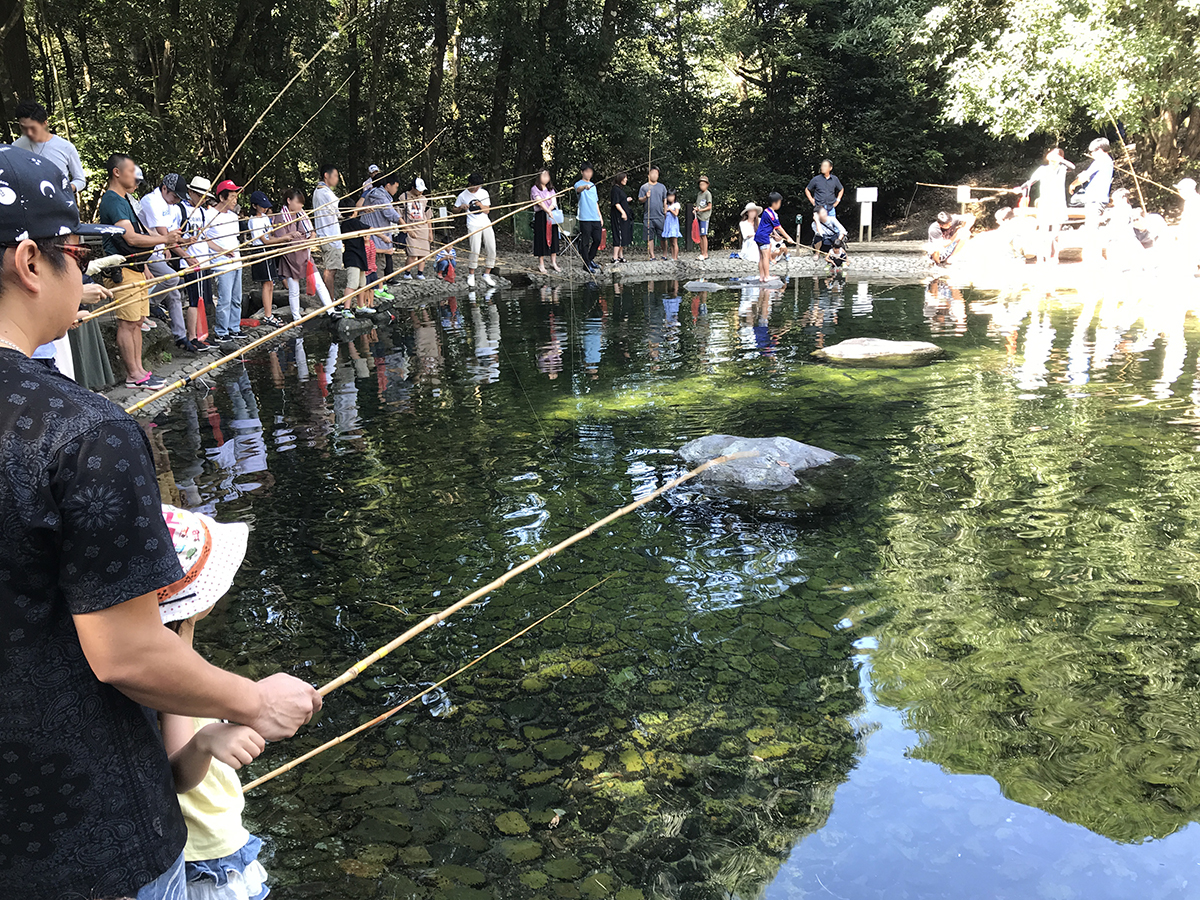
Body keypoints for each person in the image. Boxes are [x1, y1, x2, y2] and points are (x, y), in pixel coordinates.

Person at [0, 143, 322, 900]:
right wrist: (253, 700)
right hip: (92, 844)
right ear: (28, 262)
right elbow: (125, 656)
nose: (86, 271)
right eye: (76, 252)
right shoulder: (80, 431)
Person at [157, 506, 273, 900]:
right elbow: (180, 776)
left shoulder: (157, 663)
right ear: (194, 602)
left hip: (209, 840)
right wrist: (207, 739)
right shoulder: (172, 676)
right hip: (207, 851)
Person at [98, 152, 176, 389]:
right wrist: (164, 239)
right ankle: (133, 374)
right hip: (121, 268)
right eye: (132, 171)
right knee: (127, 322)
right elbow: (130, 238)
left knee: (138, 320)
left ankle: (141, 370)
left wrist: (147, 264)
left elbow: (138, 236)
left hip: (136, 267)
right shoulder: (112, 200)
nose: (136, 177)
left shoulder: (125, 200)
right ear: (117, 172)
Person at [139, 172, 198, 351]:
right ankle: (149, 304)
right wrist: (187, 257)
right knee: (172, 278)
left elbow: (173, 236)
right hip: (144, 251)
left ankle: (180, 336)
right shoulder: (151, 201)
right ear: (164, 188)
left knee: (175, 292)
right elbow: (166, 236)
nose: (176, 200)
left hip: (158, 250)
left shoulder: (171, 205)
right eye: (174, 196)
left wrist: (185, 242)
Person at [277, 187, 348, 320]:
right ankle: (297, 318)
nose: (300, 206)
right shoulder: (280, 217)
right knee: (294, 289)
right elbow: (280, 240)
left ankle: (330, 311)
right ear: (288, 201)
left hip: (305, 255)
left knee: (319, 283)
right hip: (290, 257)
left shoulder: (301, 214)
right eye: (298, 202)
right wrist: (291, 236)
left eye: (301, 203)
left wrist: (310, 240)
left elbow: (312, 232)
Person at [12, 99, 86, 195]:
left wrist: (67, 188)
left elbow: (80, 180)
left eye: (33, 128)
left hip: (59, 204)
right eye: (23, 128)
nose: (28, 132)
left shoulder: (66, 147)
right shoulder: (15, 148)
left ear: (44, 123)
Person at [207, 179, 247, 347]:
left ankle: (234, 327)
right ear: (222, 197)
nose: (235, 200)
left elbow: (235, 239)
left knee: (237, 298)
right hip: (222, 264)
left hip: (236, 261)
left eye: (236, 196)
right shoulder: (209, 215)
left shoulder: (233, 216)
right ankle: (221, 331)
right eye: (232, 196)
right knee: (225, 299)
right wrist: (221, 251)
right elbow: (206, 240)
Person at [181, 176, 218, 352]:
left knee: (203, 299)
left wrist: (220, 250)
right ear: (191, 192)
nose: (203, 199)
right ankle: (192, 336)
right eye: (200, 195)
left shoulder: (202, 212)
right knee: (194, 300)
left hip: (203, 261)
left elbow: (205, 238)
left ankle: (202, 334)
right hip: (190, 261)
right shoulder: (181, 210)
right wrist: (187, 241)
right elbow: (175, 238)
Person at [1020, 147, 1074, 263]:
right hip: (1045, 203)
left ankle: (1054, 257)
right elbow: (1031, 181)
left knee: (1055, 233)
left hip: (1058, 204)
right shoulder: (1042, 169)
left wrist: (1061, 160)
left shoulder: (1062, 168)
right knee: (1043, 232)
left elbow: (1072, 167)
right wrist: (1021, 188)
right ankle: (1041, 257)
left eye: (1056, 155)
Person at [1069, 137, 1114, 261]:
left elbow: (1084, 177)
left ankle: (1094, 256)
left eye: (1093, 151)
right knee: (1093, 227)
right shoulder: (1107, 161)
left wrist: (1073, 184)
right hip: (1099, 198)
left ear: (1099, 150)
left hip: (1095, 198)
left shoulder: (1101, 160)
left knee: (1092, 228)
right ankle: (1094, 255)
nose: (1092, 154)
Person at [248, 190, 285, 326]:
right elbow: (265, 240)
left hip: (268, 250)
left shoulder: (264, 218)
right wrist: (283, 239)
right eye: (261, 206)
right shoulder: (253, 221)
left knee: (271, 283)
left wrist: (281, 238)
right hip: (261, 251)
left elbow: (270, 235)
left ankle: (269, 313)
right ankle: (268, 315)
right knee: (266, 282)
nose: (265, 208)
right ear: (254, 206)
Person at [454, 173, 497, 288]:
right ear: (470, 184)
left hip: (485, 222)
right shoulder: (463, 195)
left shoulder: (484, 193)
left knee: (491, 247)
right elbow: (454, 210)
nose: (477, 188)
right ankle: (471, 274)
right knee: (475, 249)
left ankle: (487, 274)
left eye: (479, 186)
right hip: (472, 224)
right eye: (475, 186)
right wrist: (461, 207)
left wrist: (481, 205)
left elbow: (487, 210)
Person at [361, 173, 401, 295]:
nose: (396, 190)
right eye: (396, 186)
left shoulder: (371, 193)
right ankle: (377, 288)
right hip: (375, 235)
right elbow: (392, 214)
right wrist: (407, 227)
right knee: (377, 263)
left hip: (376, 234)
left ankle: (379, 287)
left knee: (378, 262)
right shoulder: (379, 196)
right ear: (388, 185)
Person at [312, 163, 343, 296]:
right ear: (326, 176)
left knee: (331, 269)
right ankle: (330, 302)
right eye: (335, 176)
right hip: (329, 235)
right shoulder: (324, 193)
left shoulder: (321, 191)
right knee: (330, 270)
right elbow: (341, 210)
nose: (337, 179)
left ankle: (330, 300)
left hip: (328, 234)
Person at [340, 196, 371, 317]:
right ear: (354, 211)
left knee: (362, 283)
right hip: (353, 258)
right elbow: (370, 228)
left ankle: (360, 306)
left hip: (358, 257)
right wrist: (383, 236)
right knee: (352, 283)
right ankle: (346, 309)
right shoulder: (352, 222)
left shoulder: (346, 224)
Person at [754, 192, 795, 281]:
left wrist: (775, 235)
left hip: (759, 236)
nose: (780, 205)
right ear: (775, 203)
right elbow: (779, 227)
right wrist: (788, 237)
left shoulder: (766, 211)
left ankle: (762, 277)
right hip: (764, 237)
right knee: (765, 257)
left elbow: (769, 226)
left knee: (761, 257)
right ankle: (767, 276)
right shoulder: (772, 214)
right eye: (779, 203)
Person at [399, 176, 432, 279]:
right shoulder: (403, 197)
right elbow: (398, 215)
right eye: (419, 190)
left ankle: (420, 273)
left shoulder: (424, 199)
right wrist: (406, 228)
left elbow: (428, 216)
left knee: (423, 253)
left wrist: (430, 232)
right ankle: (407, 272)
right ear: (413, 187)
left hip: (423, 228)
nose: (420, 192)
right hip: (411, 227)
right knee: (413, 253)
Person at [531, 169, 561, 273]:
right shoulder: (535, 189)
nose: (546, 178)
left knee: (554, 238)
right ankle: (541, 264)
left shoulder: (551, 189)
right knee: (541, 238)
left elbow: (554, 201)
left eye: (547, 176)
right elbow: (539, 201)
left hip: (552, 215)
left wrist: (550, 210)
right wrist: (547, 210)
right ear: (539, 177)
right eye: (543, 176)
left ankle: (553, 262)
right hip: (541, 215)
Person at [574, 163, 603, 274]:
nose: (589, 174)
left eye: (590, 171)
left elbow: (595, 202)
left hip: (595, 217)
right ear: (582, 172)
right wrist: (584, 187)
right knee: (585, 242)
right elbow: (578, 190)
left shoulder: (593, 186)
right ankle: (586, 264)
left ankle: (590, 260)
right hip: (584, 218)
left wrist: (600, 216)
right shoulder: (578, 184)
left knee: (597, 240)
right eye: (586, 171)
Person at [639, 166, 668, 259]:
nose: (655, 175)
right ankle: (652, 255)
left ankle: (664, 254)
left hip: (660, 216)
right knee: (649, 237)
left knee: (663, 237)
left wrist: (665, 210)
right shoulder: (644, 187)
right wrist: (646, 197)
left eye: (657, 173)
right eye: (653, 173)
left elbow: (665, 200)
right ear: (648, 175)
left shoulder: (662, 187)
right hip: (648, 216)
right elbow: (640, 199)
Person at [610, 172, 633, 264]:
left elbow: (621, 200)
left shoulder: (620, 190)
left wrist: (626, 200)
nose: (626, 179)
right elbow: (616, 203)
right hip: (618, 216)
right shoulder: (615, 189)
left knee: (623, 234)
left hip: (624, 217)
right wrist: (623, 212)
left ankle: (620, 256)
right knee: (618, 235)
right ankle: (614, 257)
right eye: (625, 178)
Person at [695, 175, 713, 260]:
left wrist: (701, 210)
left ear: (707, 185)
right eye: (700, 184)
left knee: (703, 235)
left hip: (704, 217)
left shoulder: (708, 194)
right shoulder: (699, 194)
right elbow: (698, 205)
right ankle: (702, 252)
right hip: (698, 216)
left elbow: (709, 206)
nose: (701, 186)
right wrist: (696, 210)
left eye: (703, 184)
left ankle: (705, 253)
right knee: (698, 235)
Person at [662, 188, 682, 260]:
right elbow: (664, 213)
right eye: (669, 196)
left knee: (674, 242)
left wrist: (670, 210)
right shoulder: (667, 205)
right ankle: (672, 256)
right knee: (670, 241)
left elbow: (676, 214)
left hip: (673, 225)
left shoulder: (676, 205)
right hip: (668, 224)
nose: (670, 198)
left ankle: (675, 257)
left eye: (672, 196)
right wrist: (665, 205)